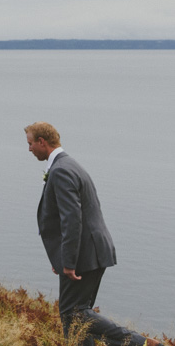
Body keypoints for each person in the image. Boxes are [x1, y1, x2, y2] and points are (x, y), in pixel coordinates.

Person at [26, 122, 150, 346]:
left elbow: (72, 219)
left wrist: (69, 261)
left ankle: (141, 343)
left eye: (30, 143)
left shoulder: (62, 170)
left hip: (84, 256)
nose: (29, 149)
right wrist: (60, 256)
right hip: (88, 252)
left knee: (76, 315)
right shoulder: (69, 165)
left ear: (42, 142)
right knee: (74, 321)